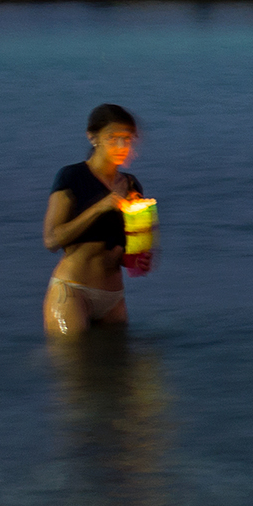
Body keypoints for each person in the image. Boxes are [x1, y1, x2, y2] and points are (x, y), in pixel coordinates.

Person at [39, 103, 147, 338]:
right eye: (112, 138)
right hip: (73, 291)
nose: (121, 146)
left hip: (113, 296)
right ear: (93, 137)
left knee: (117, 371)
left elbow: (126, 249)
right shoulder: (73, 177)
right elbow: (51, 239)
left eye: (126, 139)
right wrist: (101, 206)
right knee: (75, 367)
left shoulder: (131, 185)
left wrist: (137, 259)